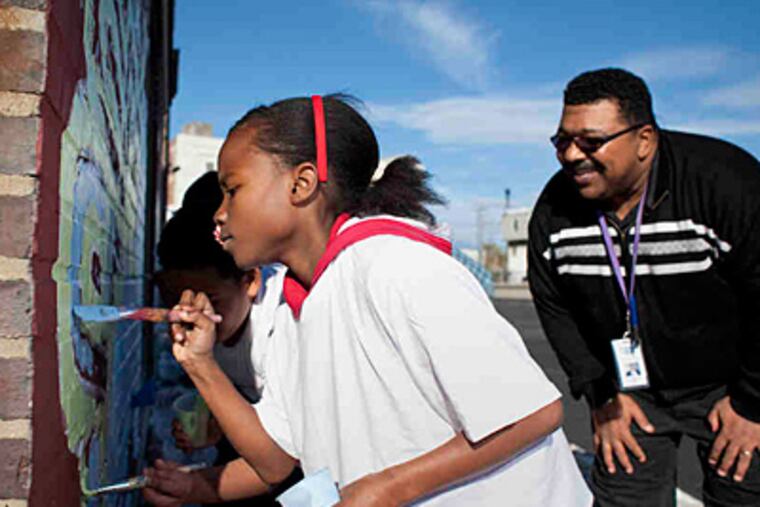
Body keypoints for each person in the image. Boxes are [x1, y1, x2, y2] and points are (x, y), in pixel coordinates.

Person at [162, 94, 592, 506]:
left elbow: (533, 413)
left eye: (232, 190)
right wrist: (200, 363)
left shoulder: (395, 265)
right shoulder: (294, 305)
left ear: (302, 183)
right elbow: (275, 461)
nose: (220, 213)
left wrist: (387, 490)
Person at [528, 68, 760, 506]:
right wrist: (600, 396)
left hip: (733, 388)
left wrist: (752, 405)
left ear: (645, 140)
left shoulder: (725, 182)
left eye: (591, 141)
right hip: (628, 394)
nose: (572, 155)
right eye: (562, 141)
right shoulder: (555, 210)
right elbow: (554, 305)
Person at [146, 172, 299, 505]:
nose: (191, 314)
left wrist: (193, 488)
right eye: (176, 299)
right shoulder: (225, 316)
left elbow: (282, 463)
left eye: (210, 301)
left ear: (251, 281)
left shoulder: (285, 325)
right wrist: (218, 426)